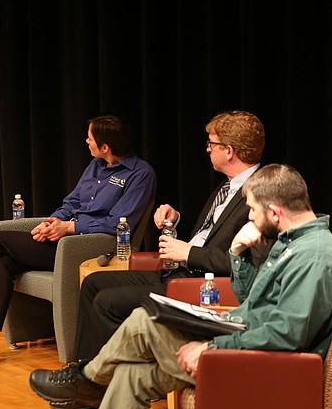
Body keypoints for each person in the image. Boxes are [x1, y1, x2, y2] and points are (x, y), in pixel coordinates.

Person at [29, 164, 332, 409]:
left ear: (275, 211)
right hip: (251, 349)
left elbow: (287, 336)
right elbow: (252, 302)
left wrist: (211, 347)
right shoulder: (294, 242)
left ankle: (88, 379)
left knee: (145, 321)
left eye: (251, 209)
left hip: (269, 370)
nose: (249, 216)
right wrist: (239, 256)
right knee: (132, 375)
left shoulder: (315, 258)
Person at [0, 115, 157, 372]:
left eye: (90, 138)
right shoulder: (95, 166)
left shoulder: (141, 174)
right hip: (65, 238)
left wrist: (69, 227)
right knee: (2, 262)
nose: (86, 141)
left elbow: (120, 222)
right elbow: (72, 203)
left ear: (105, 146)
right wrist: (52, 222)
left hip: (93, 248)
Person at [71, 111, 269, 383]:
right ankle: (84, 369)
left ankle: (103, 384)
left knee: (108, 302)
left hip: (200, 285)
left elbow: (249, 266)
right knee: (94, 284)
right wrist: (176, 218)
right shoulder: (229, 186)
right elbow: (211, 234)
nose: (207, 149)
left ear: (229, 151)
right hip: (178, 270)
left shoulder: (260, 194)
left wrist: (189, 253)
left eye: (212, 144)